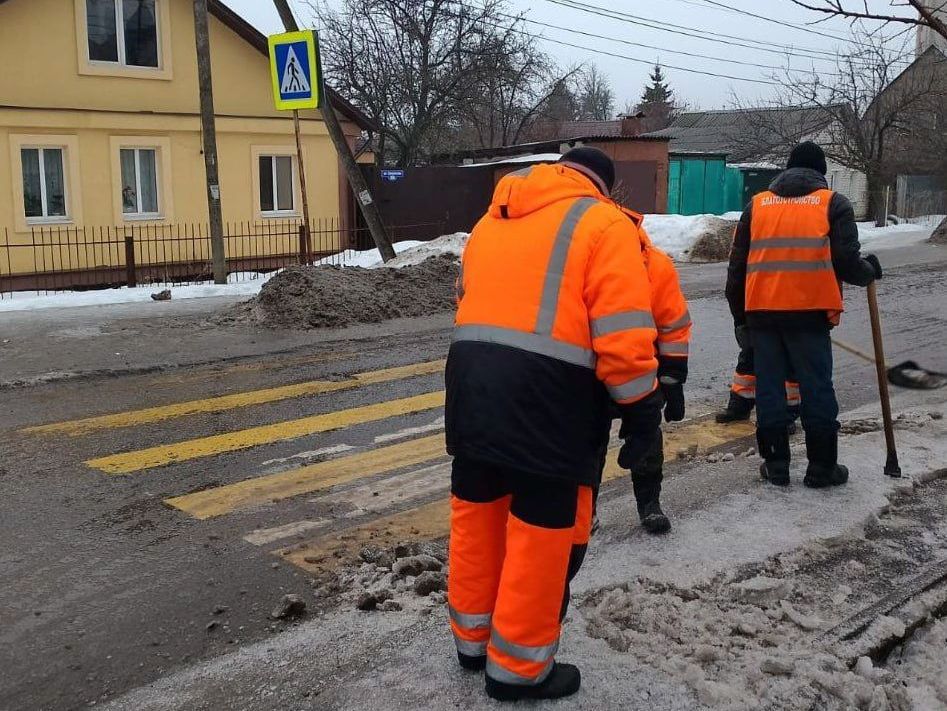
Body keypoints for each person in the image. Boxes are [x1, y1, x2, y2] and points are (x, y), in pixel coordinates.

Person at [445, 147, 663, 701]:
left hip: (471, 384)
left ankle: (472, 640)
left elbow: (469, 304)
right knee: (540, 532)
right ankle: (518, 670)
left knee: (478, 514)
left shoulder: (491, 221)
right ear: (605, 187)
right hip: (549, 398)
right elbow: (623, 334)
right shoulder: (603, 224)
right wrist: (641, 411)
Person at [725, 141, 883, 488]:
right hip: (810, 315)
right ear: (821, 174)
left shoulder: (758, 206)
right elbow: (846, 261)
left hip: (763, 315)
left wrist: (741, 318)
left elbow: (736, 268)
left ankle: (776, 465)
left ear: (786, 170)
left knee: (769, 391)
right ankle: (822, 467)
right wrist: (867, 271)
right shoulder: (833, 204)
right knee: (816, 390)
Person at [620, 207, 691, 534]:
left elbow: (673, 325)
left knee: (647, 434)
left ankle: (649, 503)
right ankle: (585, 508)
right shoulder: (580, 260)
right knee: (586, 441)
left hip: (643, 370)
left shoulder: (655, 265)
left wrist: (672, 381)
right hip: (589, 372)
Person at [715, 334, 801, 430]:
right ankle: (740, 406)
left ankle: (786, 415)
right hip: (757, 322)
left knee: (787, 356)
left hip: (789, 323)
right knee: (749, 356)